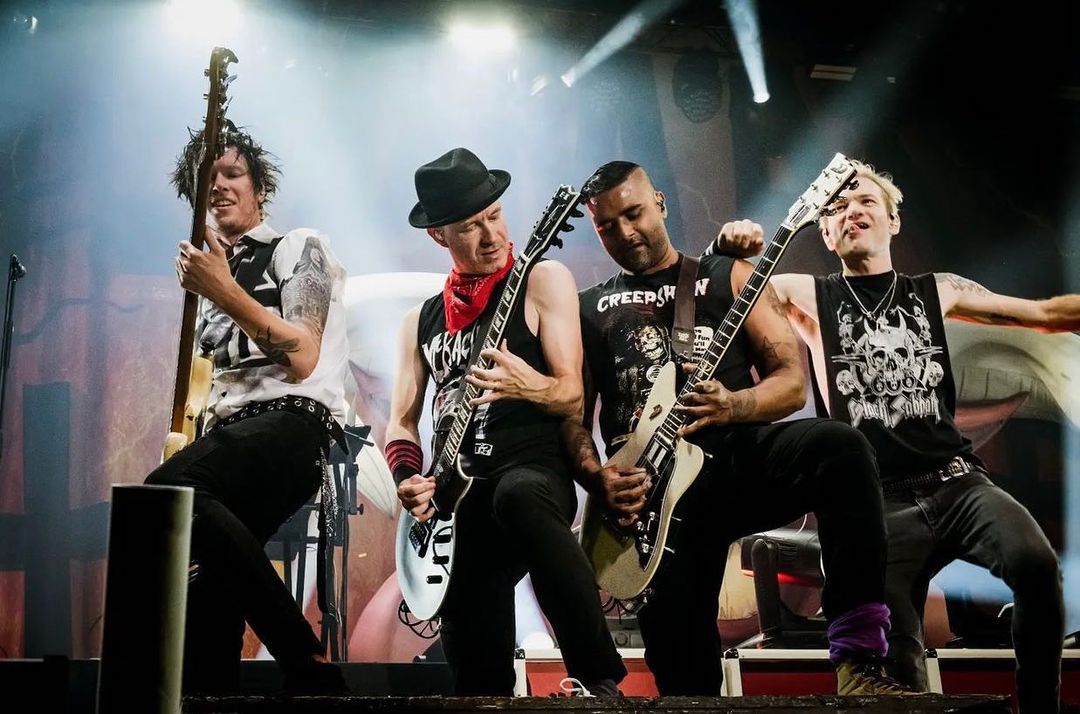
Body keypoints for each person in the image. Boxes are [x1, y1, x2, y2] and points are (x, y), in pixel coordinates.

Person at [710, 158, 1079, 712]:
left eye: (866, 202)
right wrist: (726, 250)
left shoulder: (939, 291)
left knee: (1036, 565)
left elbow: (1045, 314)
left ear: (893, 221)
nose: (852, 212)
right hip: (876, 508)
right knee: (896, 670)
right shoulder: (805, 293)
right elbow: (731, 295)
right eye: (838, 207)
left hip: (957, 485)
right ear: (824, 232)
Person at [563, 160, 910, 696]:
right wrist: (596, 477)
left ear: (660, 202)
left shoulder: (729, 275)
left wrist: (733, 404)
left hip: (735, 460)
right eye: (607, 226)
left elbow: (791, 384)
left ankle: (859, 661)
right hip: (652, 500)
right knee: (684, 678)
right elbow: (572, 418)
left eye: (633, 214)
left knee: (841, 448)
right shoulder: (587, 308)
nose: (625, 232)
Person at [386, 147, 626, 696]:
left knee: (518, 496)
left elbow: (571, 393)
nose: (491, 235)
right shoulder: (418, 321)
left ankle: (599, 678)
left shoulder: (542, 279)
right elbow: (400, 420)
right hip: (455, 500)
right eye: (470, 227)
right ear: (439, 235)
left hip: (532, 470)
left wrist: (528, 385)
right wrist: (408, 477)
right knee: (475, 664)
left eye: (494, 216)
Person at [145, 123, 350, 695]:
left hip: (291, 424)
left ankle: (305, 661)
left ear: (260, 187)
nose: (219, 186)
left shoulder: (297, 246)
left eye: (232, 173)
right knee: (207, 606)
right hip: (230, 441)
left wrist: (224, 291)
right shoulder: (213, 277)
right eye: (206, 180)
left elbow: (303, 354)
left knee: (166, 493)